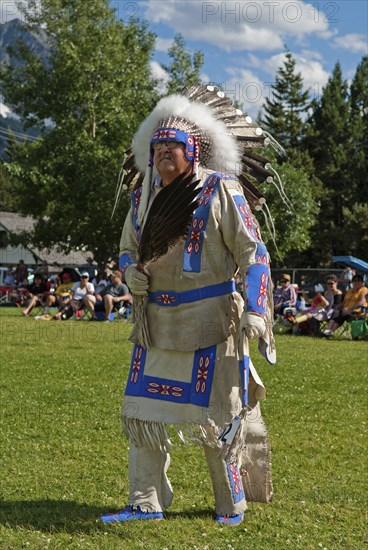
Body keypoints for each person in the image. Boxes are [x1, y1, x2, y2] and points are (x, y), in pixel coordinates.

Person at [99, 88, 276, 525]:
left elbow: (254, 254)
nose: (162, 154)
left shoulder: (221, 190)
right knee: (142, 414)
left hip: (210, 322)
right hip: (155, 323)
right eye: (156, 148)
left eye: (171, 147)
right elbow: (127, 248)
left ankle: (229, 503)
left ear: (192, 150)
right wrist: (130, 272)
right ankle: (145, 501)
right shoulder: (143, 197)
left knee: (216, 418)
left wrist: (255, 308)